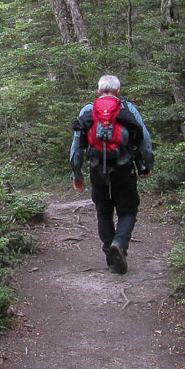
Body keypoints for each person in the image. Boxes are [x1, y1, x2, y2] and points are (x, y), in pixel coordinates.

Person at [69, 75, 153, 274]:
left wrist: (76, 172)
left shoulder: (88, 110)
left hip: (97, 169)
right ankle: (120, 244)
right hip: (124, 168)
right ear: (118, 91)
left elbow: (77, 145)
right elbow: (144, 139)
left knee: (103, 212)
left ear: (98, 92)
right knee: (128, 210)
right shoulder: (128, 109)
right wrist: (147, 163)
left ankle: (110, 254)